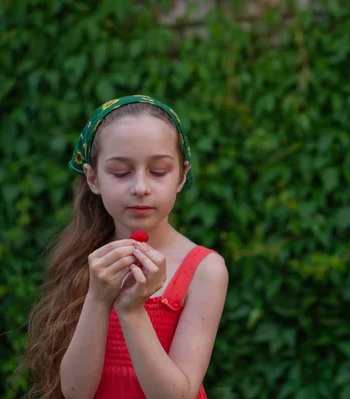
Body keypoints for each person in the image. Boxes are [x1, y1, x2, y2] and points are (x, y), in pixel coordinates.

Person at [22, 95, 229, 399]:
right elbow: (76, 392)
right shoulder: (91, 261)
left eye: (158, 171)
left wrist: (132, 310)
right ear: (93, 178)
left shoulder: (204, 270)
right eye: (121, 172)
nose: (141, 187)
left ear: (182, 176)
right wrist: (97, 297)